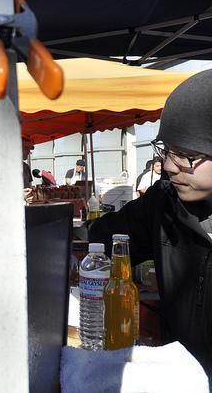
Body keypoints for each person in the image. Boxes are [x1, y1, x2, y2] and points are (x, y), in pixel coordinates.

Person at [88, 69, 212, 379]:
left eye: (185, 155)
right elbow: (98, 238)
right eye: (166, 151)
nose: (169, 166)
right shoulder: (164, 204)